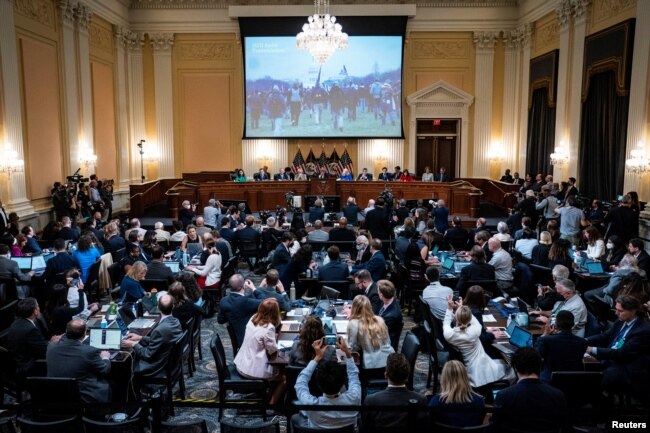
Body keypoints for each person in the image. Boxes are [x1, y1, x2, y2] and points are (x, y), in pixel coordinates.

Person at [491, 347, 567, 433]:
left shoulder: (504, 395)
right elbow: (563, 425)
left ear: (515, 368)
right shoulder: (558, 395)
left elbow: (495, 426)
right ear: (540, 366)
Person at [586, 295, 650, 396]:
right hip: (613, 358)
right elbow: (605, 336)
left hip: (627, 367)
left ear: (633, 311)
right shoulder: (620, 321)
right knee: (583, 367)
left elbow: (622, 353)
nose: (616, 313)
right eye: (616, 309)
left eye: (620, 311)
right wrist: (584, 341)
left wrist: (591, 349)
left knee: (597, 379)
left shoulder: (643, 330)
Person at [292, 336, 361, 429]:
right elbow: (353, 375)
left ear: (318, 384)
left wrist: (317, 357)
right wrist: (347, 353)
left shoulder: (310, 404)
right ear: (342, 382)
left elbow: (300, 382)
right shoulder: (354, 398)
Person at [443, 299, 513, 387]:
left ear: (455, 317)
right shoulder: (475, 331)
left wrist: (450, 309)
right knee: (512, 369)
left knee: (501, 362)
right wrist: (462, 308)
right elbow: (472, 318)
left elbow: (446, 323)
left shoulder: (450, 335)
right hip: (481, 368)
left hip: (468, 369)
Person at [46, 319, 111, 404]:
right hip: (84, 396)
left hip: (56, 394)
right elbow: (104, 370)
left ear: (66, 331)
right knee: (110, 383)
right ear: (84, 333)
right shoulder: (89, 351)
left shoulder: (51, 346)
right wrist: (105, 357)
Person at [234, 298, 285, 404]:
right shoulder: (269, 327)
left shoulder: (253, 318)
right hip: (253, 371)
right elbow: (272, 350)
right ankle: (271, 404)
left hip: (242, 364)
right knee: (285, 377)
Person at [122, 294, 183, 377]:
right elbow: (160, 339)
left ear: (158, 307)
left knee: (126, 365)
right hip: (169, 359)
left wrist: (133, 344)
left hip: (156, 365)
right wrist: (140, 337)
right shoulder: (176, 321)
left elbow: (147, 355)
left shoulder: (159, 330)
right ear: (173, 306)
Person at [363, 353, 427, 429]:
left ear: (385, 375)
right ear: (408, 375)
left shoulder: (371, 400)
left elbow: (365, 427)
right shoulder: (421, 400)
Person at [6, 297, 61, 375]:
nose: (39, 308)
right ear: (35, 311)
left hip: (20, 357)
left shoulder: (18, 321)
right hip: (28, 367)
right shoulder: (30, 329)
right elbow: (44, 349)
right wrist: (52, 342)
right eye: (38, 306)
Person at [534, 310, 588, 383]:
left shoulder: (546, 340)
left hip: (549, 380)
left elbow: (535, 354)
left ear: (556, 324)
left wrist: (545, 334)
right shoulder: (583, 342)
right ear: (572, 324)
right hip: (573, 381)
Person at [429, 360, 486, 427]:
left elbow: (430, 423)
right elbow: (479, 422)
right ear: (465, 377)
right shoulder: (479, 401)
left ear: (444, 378)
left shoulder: (436, 401)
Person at [347, 295, 394, 369]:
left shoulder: (353, 323)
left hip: (372, 367)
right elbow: (388, 341)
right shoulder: (380, 319)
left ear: (354, 308)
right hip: (389, 363)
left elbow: (353, 349)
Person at [217, 274, 262, 347]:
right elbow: (266, 302)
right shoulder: (245, 301)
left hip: (238, 339)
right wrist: (254, 288)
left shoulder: (223, 300)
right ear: (243, 286)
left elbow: (220, 320)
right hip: (251, 341)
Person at [377, 279, 403, 350]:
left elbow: (379, 332)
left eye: (378, 292)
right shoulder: (387, 301)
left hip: (385, 346)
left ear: (381, 295)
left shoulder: (391, 316)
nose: (377, 293)